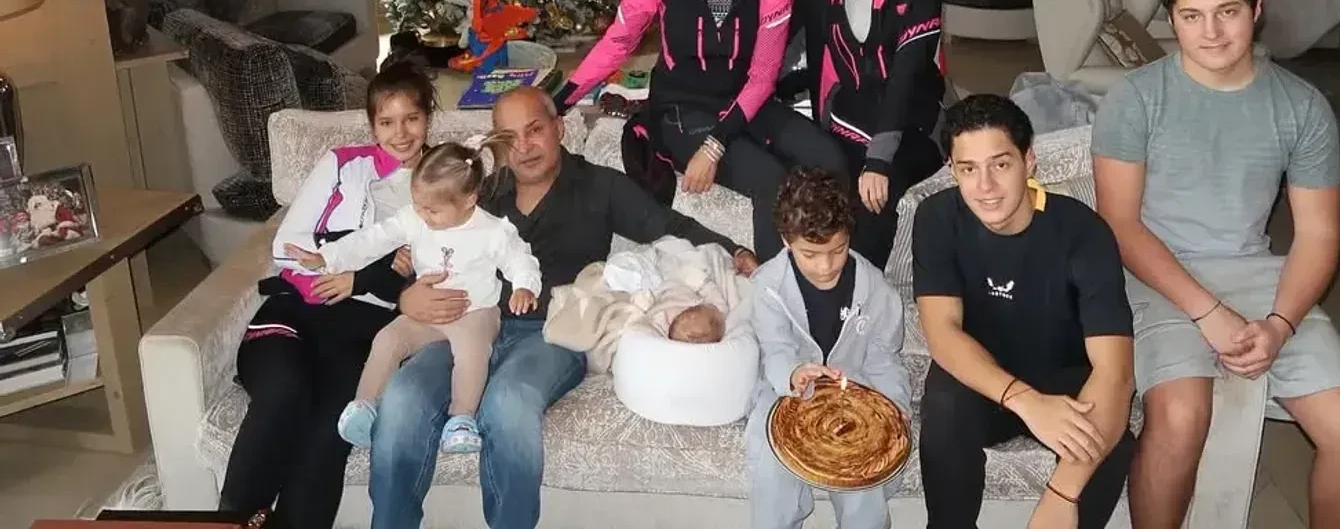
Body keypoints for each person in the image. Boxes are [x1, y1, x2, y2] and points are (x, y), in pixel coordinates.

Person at [368, 87, 759, 529]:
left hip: (552, 333)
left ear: (560, 129)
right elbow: (424, 253)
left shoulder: (600, 185)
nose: (524, 146)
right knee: (402, 397)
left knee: (508, 403)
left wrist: (736, 251)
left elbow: (669, 226)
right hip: (465, 325)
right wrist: (408, 296)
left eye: (535, 130)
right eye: (510, 137)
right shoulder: (478, 194)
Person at [1092, 0, 1340, 529]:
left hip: (1256, 274)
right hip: (1154, 273)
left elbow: (1318, 235)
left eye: (1227, 12)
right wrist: (1209, 313)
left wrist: (1279, 325)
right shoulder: (1136, 97)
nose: (1211, 32)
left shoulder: (1302, 107)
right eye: (1192, 16)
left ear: (1256, 9)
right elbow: (1119, 225)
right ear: (1173, 20)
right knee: (1181, 415)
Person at [549, 0, 845, 260]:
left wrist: (715, 145)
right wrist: (560, 101)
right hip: (682, 110)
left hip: (748, 102)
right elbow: (619, 40)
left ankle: (833, 271)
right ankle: (771, 290)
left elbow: (763, 76)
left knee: (828, 157)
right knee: (773, 181)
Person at [218, 57, 433, 529]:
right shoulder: (343, 164)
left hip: (365, 336)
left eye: (412, 119)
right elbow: (287, 247)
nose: (400, 134)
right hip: (295, 313)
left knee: (330, 434)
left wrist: (366, 277)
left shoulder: (440, 181)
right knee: (284, 395)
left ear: (428, 119)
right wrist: (375, 268)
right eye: (387, 122)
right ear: (372, 126)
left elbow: (438, 272)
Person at [915, 95, 1135, 529]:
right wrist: (1025, 401)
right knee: (943, 407)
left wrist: (1061, 496)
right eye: (968, 169)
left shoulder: (1082, 232)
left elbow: (1116, 374)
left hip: (1063, 377)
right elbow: (942, 333)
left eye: (1000, 164)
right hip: (983, 375)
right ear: (952, 170)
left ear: (1028, 161)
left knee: (1110, 440)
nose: (985, 186)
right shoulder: (938, 218)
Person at [284, 139, 542, 455]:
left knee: (472, 351)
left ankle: (461, 418)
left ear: (469, 200)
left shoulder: (493, 231)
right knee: (388, 338)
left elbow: (520, 259)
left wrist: (524, 286)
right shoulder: (414, 218)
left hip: (474, 312)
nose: (422, 214)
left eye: (432, 210)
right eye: (418, 204)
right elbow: (371, 240)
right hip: (426, 313)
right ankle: (364, 406)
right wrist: (327, 257)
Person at [789, 0, 946, 268]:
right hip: (847, 114)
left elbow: (906, 77)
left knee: (875, 197)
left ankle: (860, 289)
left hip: (911, 122)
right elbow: (786, 40)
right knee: (817, 189)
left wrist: (878, 162)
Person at [747, 167, 911, 529]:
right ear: (786, 240)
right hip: (785, 395)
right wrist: (793, 374)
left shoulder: (877, 291)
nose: (825, 266)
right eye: (810, 254)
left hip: (855, 395)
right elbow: (773, 349)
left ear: (849, 235)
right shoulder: (767, 286)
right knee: (771, 467)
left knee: (864, 470)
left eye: (837, 250)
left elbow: (884, 360)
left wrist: (895, 407)